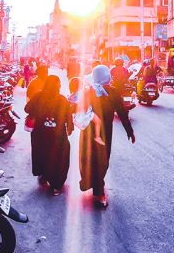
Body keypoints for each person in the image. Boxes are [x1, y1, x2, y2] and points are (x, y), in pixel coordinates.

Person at [80, 65, 135, 208]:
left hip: (91, 132)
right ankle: (98, 191)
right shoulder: (102, 92)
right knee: (99, 161)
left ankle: (95, 187)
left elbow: (122, 112)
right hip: (101, 133)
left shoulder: (94, 91)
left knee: (94, 160)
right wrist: (129, 131)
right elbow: (122, 113)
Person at [25, 75, 73, 195]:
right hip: (57, 136)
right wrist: (70, 129)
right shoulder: (62, 100)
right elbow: (69, 117)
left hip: (40, 135)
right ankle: (56, 185)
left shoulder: (38, 96)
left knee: (42, 155)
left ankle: (44, 175)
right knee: (59, 159)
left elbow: (27, 108)